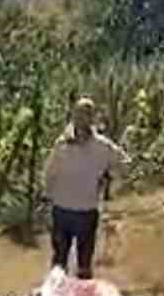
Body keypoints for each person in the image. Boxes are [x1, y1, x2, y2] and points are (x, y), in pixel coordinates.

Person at [43, 97, 128, 279]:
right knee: (59, 262)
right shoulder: (62, 144)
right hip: (62, 209)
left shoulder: (102, 146)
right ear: (73, 116)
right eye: (79, 114)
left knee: (84, 264)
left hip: (87, 211)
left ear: (92, 118)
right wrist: (48, 196)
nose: (82, 119)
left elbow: (122, 164)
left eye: (86, 115)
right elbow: (49, 173)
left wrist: (110, 179)